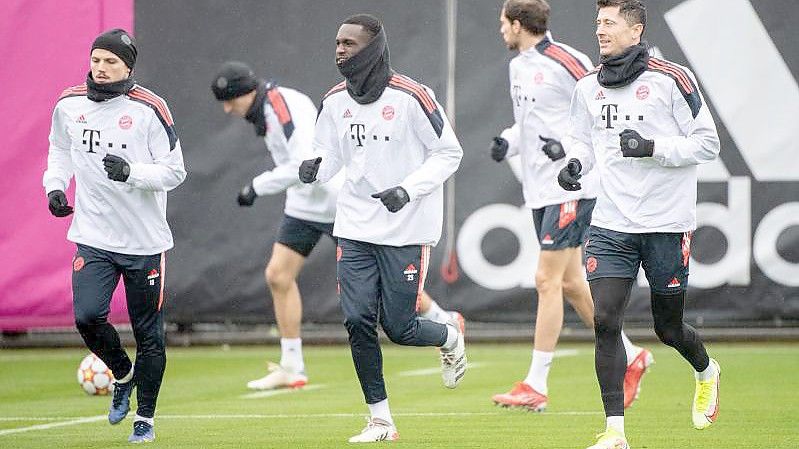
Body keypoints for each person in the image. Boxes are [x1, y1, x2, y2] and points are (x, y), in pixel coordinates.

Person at [210, 62, 464, 390]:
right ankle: (292, 365)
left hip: (334, 204)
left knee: (392, 288)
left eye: (231, 100)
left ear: (247, 91)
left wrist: (257, 187)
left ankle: (444, 321)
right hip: (303, 205)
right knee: (278, 275)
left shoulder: (282, 106)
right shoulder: (266, 110)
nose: (229, 109)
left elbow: (306, 165)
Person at [558, 1, 721, 447]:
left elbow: (708, 144)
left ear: (636, 30)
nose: (600, 31)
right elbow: (581, 140)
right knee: (606, 320)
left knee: (667, 328)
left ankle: (707, 370)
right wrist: (574, 163)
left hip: (666, 222)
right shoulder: (588, 86)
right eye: (598, 23)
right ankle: (615, 432)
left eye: (609, 23)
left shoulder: (672, 78)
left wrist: (652, 146)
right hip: (611, 223)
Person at [298, 14, 466, 443]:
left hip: (406, 230)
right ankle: (380, 420)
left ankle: (448, 335)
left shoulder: (413, 96)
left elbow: (449, 152)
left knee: (400, 327)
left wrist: (408, 190)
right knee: (356, 321)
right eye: (337, 43)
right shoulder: (334, 100)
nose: (339, 50)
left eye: (349, 44)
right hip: (354, 227)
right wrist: (315, 169)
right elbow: (331, 155)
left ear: (372, 48)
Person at [489, 0, 652, 413]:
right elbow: (531, 121)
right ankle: (632, 356)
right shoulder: (517, 66)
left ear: (518, 24)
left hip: (571, 186)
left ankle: (536, 384)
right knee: (571, 283)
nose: (501, 30)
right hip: (539, 190)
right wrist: (510, 139)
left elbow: (601, 106)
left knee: (546, 280)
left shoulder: (566, 60)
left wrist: (568, 146)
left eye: (503, 22)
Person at [43, 29, 186, 443]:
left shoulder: (149, 108)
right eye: (96, 60)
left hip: (144, 243)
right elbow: (59, 149)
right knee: (87, 316)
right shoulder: (69, 104)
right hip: (93, 236)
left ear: (128, 66)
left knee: (150, 335)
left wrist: (133, 172)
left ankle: (146, 418)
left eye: (111, 62)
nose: (101, 69)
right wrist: (55, 185)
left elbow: (175, 171)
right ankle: (123, 374)